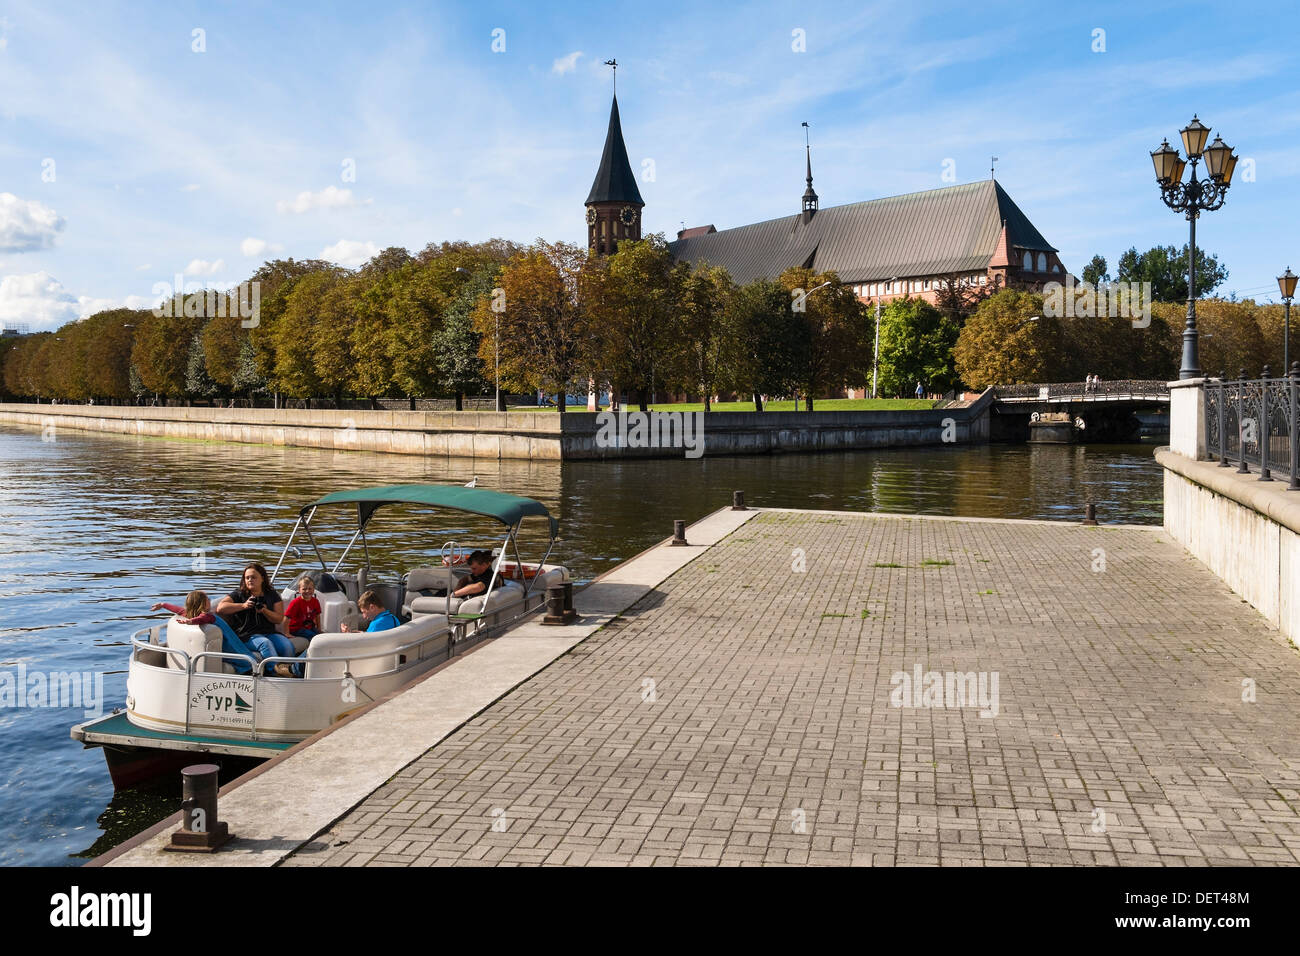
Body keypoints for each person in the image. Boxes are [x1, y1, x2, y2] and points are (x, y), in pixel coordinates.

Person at [151, 589, 263, 676]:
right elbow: (202, 618)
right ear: (202, 604)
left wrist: (163, 605)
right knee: (245, 660)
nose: (210, 600)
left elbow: (183, 612)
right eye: (208, 599)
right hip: (231, 646)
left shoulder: (198, 615)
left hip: (229, 643)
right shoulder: (209, 616)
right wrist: (190, 621)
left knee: (245, 657)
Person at [216, 563, 295, 675]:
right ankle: (276, 674)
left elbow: (279, 619)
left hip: (269, 633)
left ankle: (291, 671)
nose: (250, 580)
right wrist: (243, 605)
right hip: (247, 636)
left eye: (253, 577)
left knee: (287, 645)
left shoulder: (272, 595)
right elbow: (220, 608)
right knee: (265, 643)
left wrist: (265, 611)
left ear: (262, 578)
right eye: (247, 578)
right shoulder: (239, 594)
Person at [284, 575, 322, 641]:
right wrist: (286, 633)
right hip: (296, 629)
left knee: (322, 636)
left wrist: (319, 629)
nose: (307, 591)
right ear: (299, 590)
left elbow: (317, 615)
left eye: (310, 589)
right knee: (315, 638)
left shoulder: (315, 601)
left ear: (313, 589)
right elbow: (286, 618)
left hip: (309, 627)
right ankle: (308, 651)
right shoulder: (295, 602)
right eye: (304, 589)